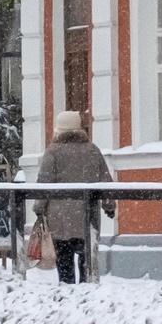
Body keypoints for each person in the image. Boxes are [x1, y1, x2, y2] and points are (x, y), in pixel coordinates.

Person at [37, 114, 111, 285]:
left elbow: (44, 181)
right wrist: (109, 205)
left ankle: (66, 288)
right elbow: (104, 179)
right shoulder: (92, 149)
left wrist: (39, 207)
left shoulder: (53, 151)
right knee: (86, 257)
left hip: (60, 217)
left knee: (64, 258)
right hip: (87, 215)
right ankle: (86, 288)